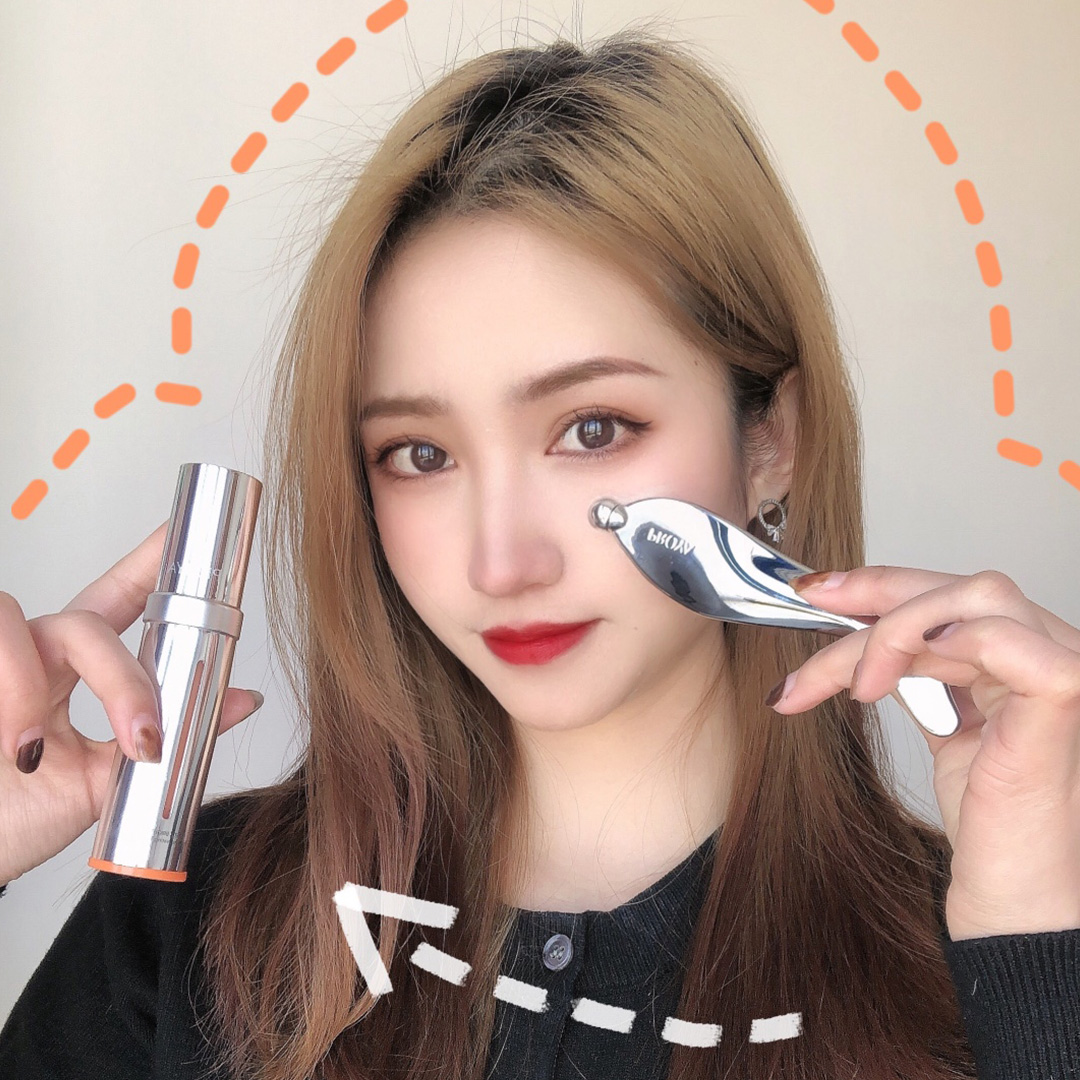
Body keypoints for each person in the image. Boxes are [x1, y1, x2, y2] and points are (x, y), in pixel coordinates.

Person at [1, 27, 1078, 1080]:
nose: (501, 564)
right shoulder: (191, 925)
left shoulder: (994, 946)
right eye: (420, 454)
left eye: (593, 429)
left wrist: (1036, 936)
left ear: (771, 441)